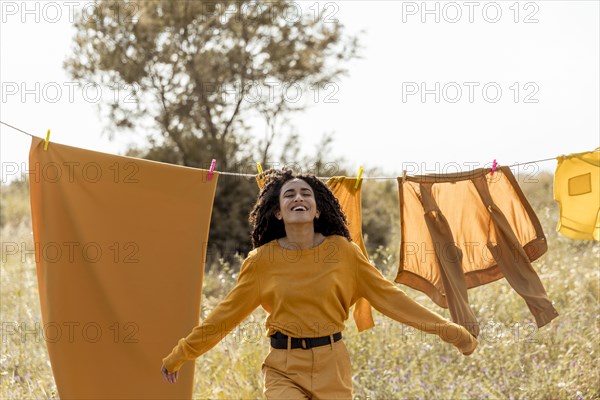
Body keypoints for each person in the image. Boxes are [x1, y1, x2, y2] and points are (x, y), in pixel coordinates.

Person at [161, 168, 478, 398]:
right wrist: (180, 354)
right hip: (283, 366)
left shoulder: (344, 253)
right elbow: (224, 317)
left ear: (316, 209)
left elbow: (391, 299)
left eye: (305, 193)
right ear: (279, 212)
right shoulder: (261, 261)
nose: (298, 197)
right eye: (289, 194)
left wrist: (449, 331)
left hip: (333, 365)